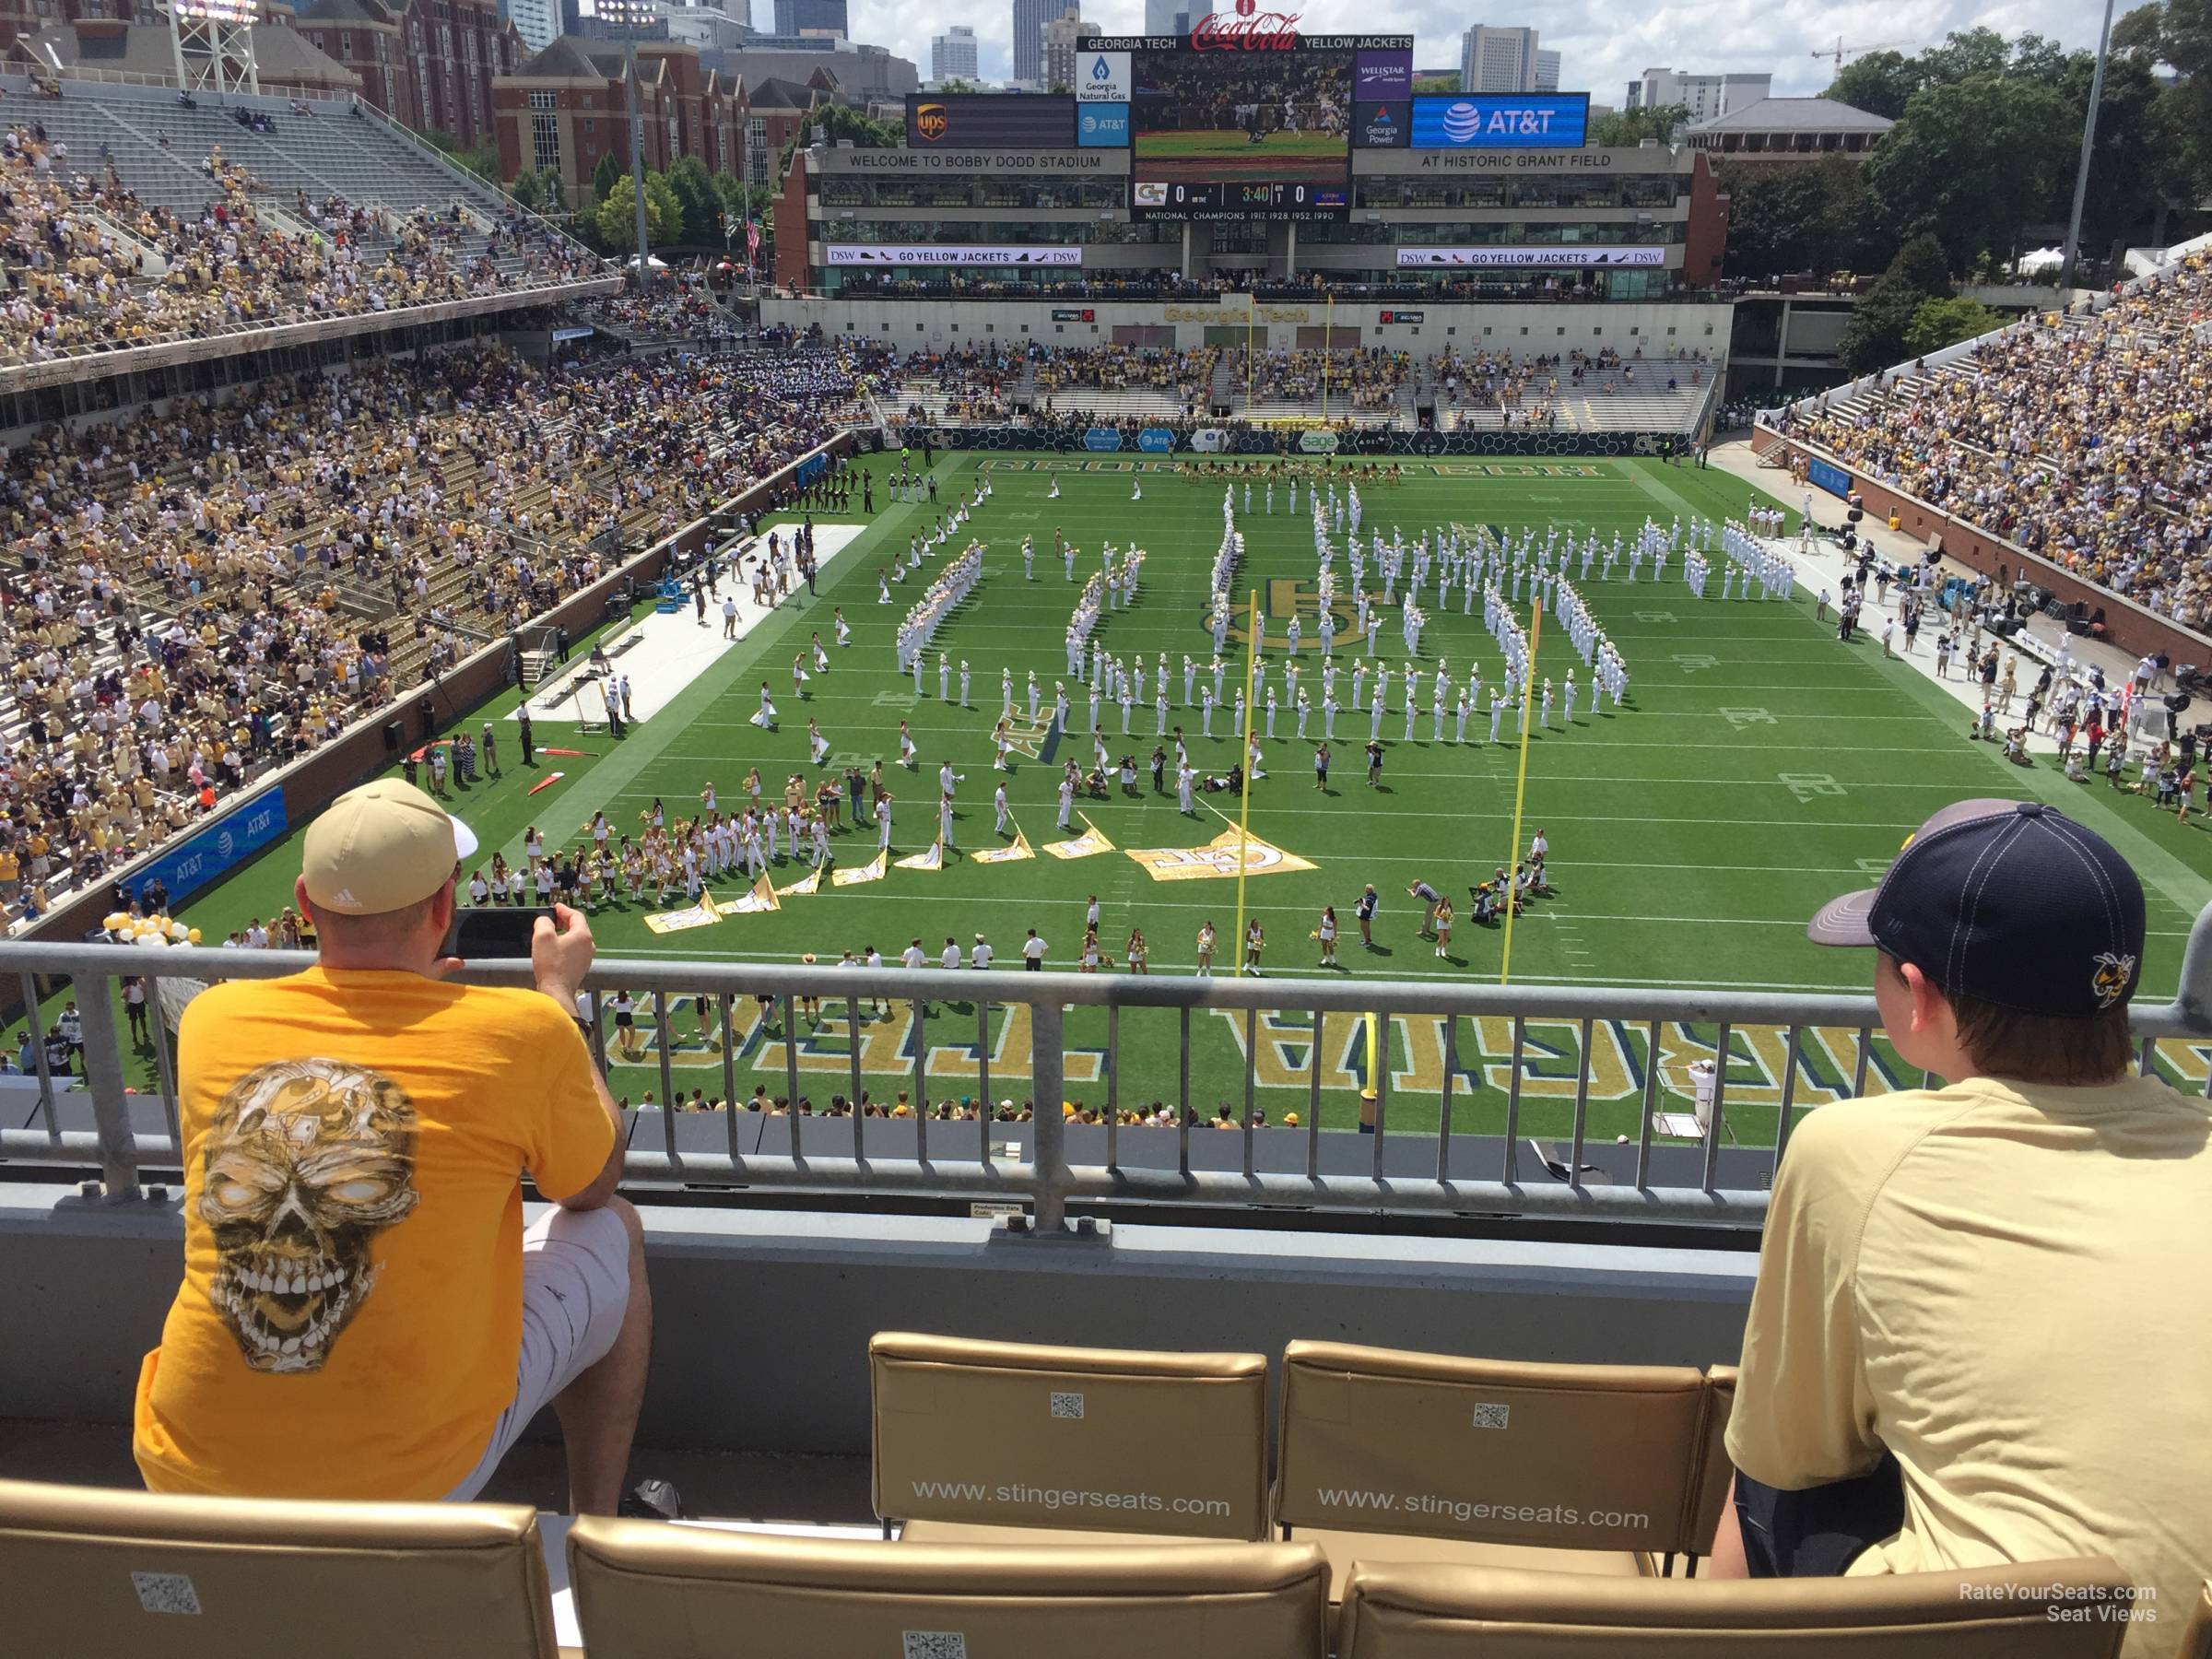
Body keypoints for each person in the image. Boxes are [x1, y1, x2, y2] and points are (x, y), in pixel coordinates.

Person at [1711, 798, 2212, 1640]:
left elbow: (1785, 1459)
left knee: (1773, 1477)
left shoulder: (1853, 1153)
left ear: (1917, 995)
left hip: (2018, 1633)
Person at [131, 781, 655, 1516]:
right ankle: (597, 1525)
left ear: (305, 905)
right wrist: (559, 1001)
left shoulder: (216, 1022)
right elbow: (591, 1185)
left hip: (184, 1465)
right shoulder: (518, 1033)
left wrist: (409, 995)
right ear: (445, 909)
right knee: (614, 1229)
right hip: (409, 1482)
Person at [1355, 884, 1378, 949]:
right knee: (1367, 928)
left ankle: (1367, 942)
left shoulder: (1370, 899)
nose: (1365, 890)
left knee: (1364, 928)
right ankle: (1368, 939)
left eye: (1366, 889)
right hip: (1368, 915)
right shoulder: (1373, 895)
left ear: (1369, 890)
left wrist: (1361, 903)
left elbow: (1367, 908)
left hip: (1366, 915)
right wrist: (1362, 899)